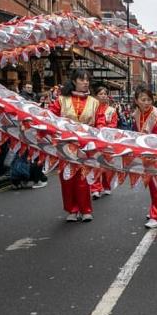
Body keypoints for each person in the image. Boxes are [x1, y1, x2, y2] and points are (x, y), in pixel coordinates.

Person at [48, 69, 106, 222]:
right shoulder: (61, 100)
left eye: (87, 80)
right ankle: (72, 210)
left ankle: (85, 209)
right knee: (67, 179)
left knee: (82, 178)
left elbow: (100, 122)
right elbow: (50, 117)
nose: (85, 82)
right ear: (74, 81)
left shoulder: (94, 102)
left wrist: (96, 135)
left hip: (85, 146)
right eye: (82, 80)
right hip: (65, 146)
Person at [133, 84, 157, 229]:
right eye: (143, 99)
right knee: (153, 184)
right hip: (147, 153)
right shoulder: (136, 113)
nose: (146, 102)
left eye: (149, 99)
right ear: (136, 100)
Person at [91, 87, 116, 198]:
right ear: (96, 96)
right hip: (94, 139)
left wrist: (104, 129)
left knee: (107, 165)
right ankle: (95, 188)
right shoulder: (92, 108)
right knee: (95, 163)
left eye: (105, 94)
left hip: (107, 140)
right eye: (100, 93)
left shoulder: (111, 110)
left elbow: (114, 124)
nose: (103, 96)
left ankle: (106, 186)